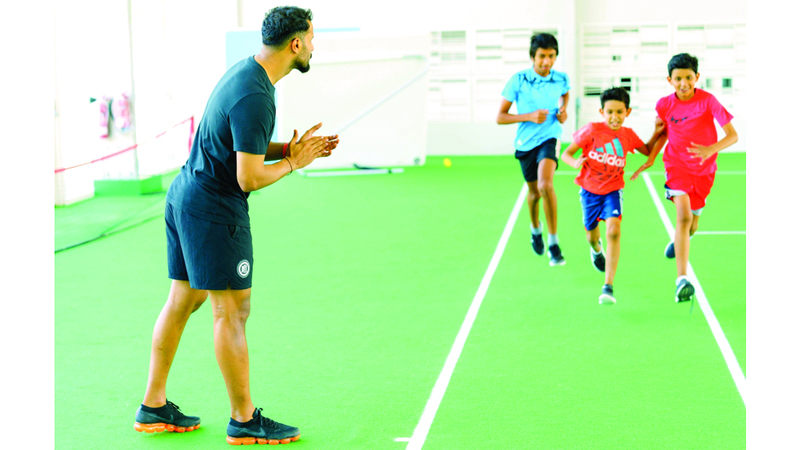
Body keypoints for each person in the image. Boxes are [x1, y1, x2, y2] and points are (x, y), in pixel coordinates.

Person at [133, 6, 339, 445]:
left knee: (183, 300)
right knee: (232, 311)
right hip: (212, 210)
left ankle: (153, 405)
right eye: (311, 38)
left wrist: (289, 149)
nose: (314, 46)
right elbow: (249, 177)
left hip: (186, 196)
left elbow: (240, 142)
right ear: (296, 43)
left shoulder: (247, 73)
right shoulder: (257, 95)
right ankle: (244, 420)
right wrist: (293, 163)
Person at [635, 53, 738, 303]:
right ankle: (681, 279)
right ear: (669, 80)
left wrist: (710, 149)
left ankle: (681, 239)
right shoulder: (664, 105)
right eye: (678, 78)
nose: (684, 83)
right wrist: (651, 158)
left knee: (692, 225)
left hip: (704, 171)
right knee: (683, 216)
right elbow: (663, 133)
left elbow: (733, 135)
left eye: (688, 78)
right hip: (676, 166)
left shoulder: (708, 101)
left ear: (697, 77)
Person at [561, 87, 666, 304]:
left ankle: (608, 287)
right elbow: (566, 153)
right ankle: (596, 250)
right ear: (602, 112)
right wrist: (575, 162)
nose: (614, 117)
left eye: (619, 112)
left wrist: (657, 132)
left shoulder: (628, 135)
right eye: (609, 112)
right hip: (589, 192)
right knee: (592, 237)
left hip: (613, 190)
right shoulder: (591, 130)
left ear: (627, 112)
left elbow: (647, 150)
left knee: (614, 231)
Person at [497, 33, 570, 266]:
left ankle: (554, 243)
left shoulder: (561, 78)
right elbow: (500, 117)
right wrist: (528, 116)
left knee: (545, 185)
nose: (547, 61)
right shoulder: (518, 80)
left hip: (550, 137)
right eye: (542, 56)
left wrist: (563, 110)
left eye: (551, 56)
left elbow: (565, 94)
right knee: (534, 194)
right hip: (525, 143)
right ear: (533, 57)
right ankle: (535, 229)